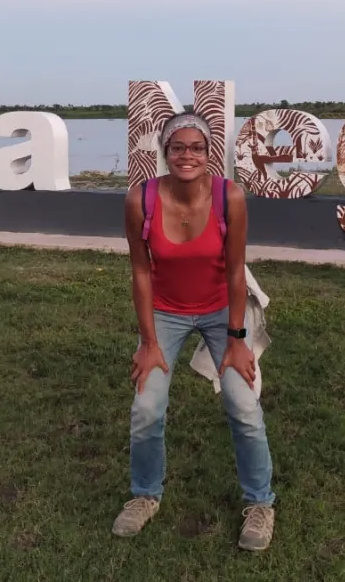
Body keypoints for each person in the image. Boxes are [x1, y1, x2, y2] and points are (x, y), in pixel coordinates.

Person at [111, 112, 276, 551]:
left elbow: (237, 271)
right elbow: (141, 272)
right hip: (165, 313)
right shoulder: (140, 200)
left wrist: (238, 340)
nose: (188, 155)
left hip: (222, 310)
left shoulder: (230, 197)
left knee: (243, 404)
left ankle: (260, 504)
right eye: (178, 147)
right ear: (166, 153)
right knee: (147, 407)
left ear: (209, 153)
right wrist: (148, 342)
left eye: (197, 147)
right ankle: (145, 495)